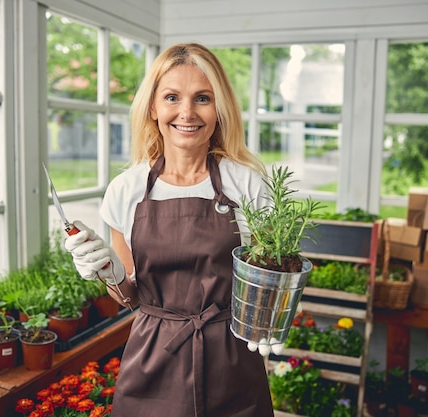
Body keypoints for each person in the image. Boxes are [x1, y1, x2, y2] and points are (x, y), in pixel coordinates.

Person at [65, 43, 274, 417]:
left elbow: (267, 280)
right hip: (153, 356)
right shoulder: (126, 190)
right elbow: (128, 295)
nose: (187, 112)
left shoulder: (248, 186)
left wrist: (271, 319)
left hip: (232, 357)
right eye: (172, 97)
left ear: (220, 108)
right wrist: (106, 270)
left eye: (203, 98)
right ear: (153, 107)